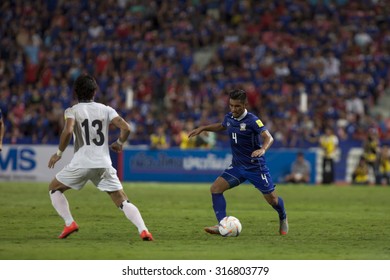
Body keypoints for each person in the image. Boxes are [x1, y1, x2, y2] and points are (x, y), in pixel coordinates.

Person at [47, 74, 153, 241]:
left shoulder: (72, 111)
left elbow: (67, 131)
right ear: (95, 91)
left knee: (54, 189)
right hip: (103, 164)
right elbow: (126, 128)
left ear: (75, 92)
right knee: (122, 200)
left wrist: (59, 153)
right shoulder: (106, 109)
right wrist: (119, 142)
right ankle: (144, 230)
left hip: (81, 163)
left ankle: (69, 223)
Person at [188, 89, 288, 235]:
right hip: (237, 166)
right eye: (231, 106)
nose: (233, 109)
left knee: (272, 200)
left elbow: (269, 137)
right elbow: (222, 125)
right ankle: (222, 224)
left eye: (237, 106)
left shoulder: (253, 120)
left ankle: (283, 216)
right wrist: (203, 128)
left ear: (245, 105)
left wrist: (263, 149)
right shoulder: (230, 117)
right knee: (215, 189)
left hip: (255, 167)